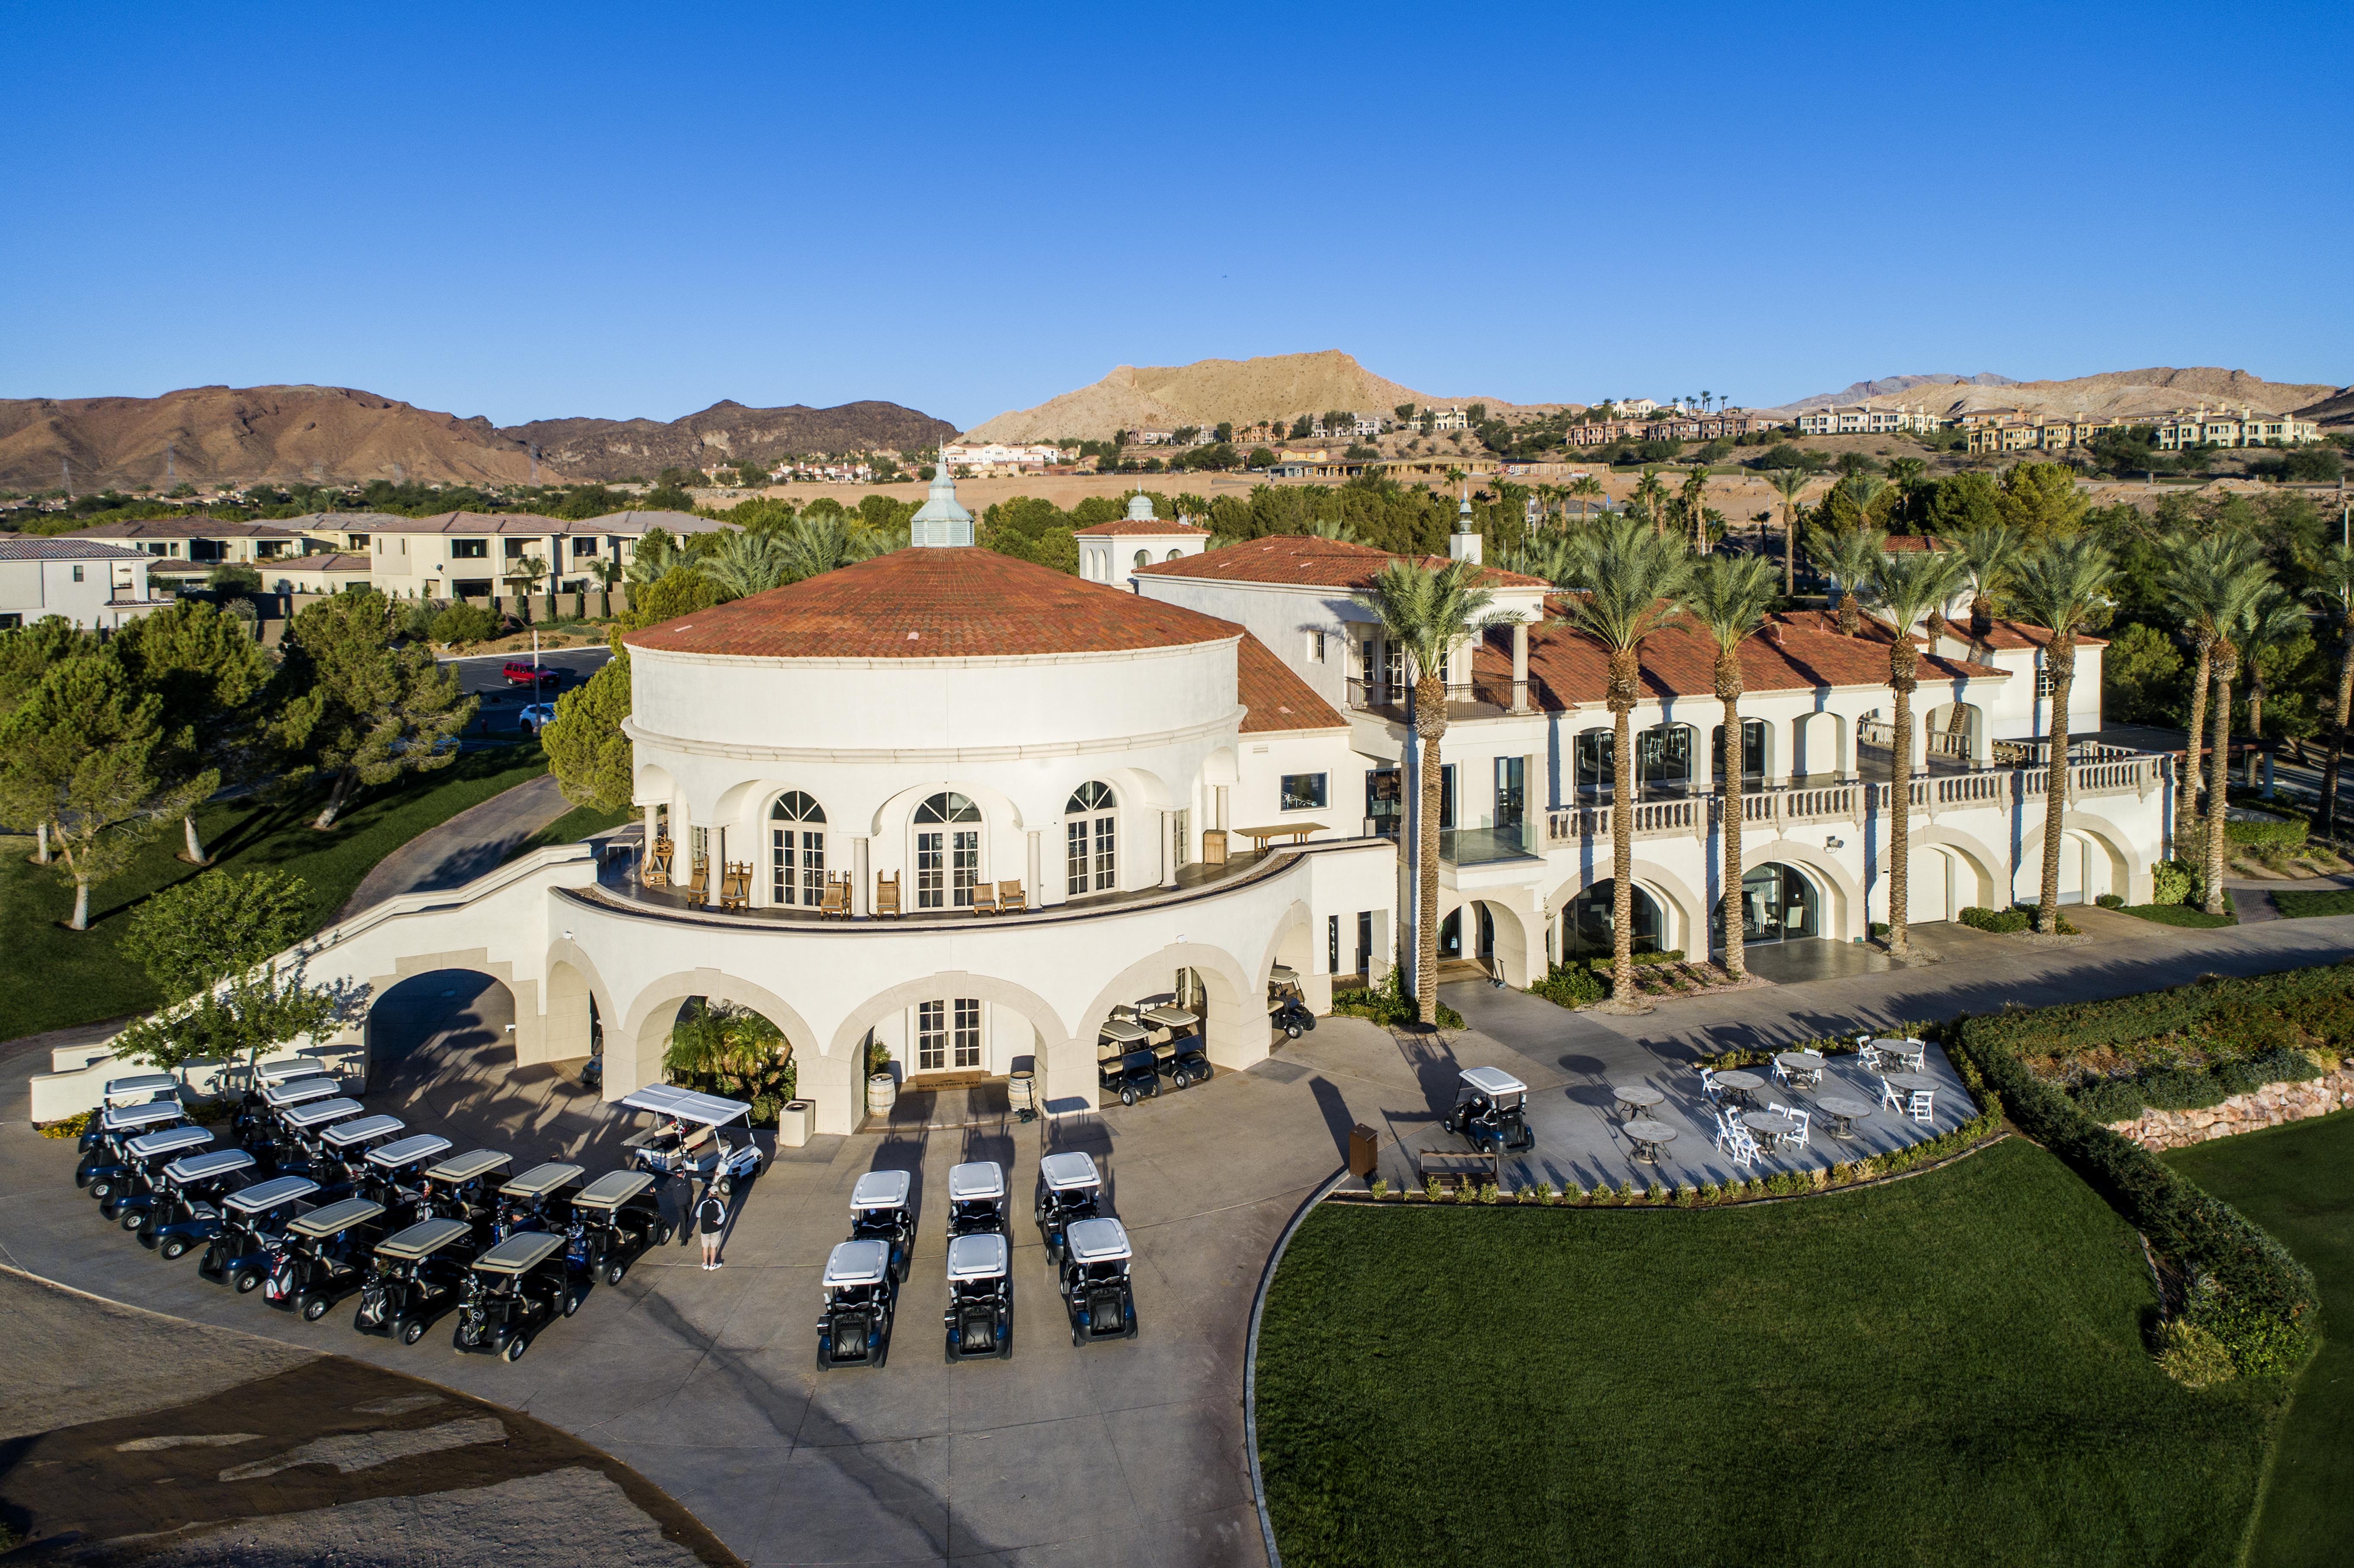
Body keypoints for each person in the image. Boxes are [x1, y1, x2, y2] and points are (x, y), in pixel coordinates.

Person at [697, 1176, 730, 1270]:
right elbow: (724, 1215)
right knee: (714, 1247)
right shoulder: (719, 1203)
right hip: (716, 1229)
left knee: (705, 1247)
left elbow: (698, 1214)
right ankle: (712, 1265)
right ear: (717, 1193)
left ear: (710, 1193)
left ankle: (705, 1264)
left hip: (705, 1229)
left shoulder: (704, 1203)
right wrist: (719, 1222)